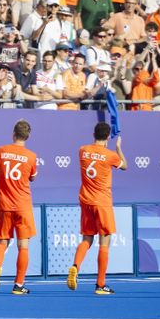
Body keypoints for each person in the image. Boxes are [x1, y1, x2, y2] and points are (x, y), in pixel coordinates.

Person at [67, 121, 125, 295]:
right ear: (108, 136)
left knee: (86, 239)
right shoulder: (110, 155)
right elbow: (125, 165)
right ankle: (100, 284)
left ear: (94, 134)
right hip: (102, 202)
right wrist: (119, 148)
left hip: (86, 200)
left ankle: (75, 266)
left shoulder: (82, 150)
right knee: (104, 243)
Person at [0, 120, 37, 296]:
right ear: (28, 136)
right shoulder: (31, 156)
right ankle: (18, 285)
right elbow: (32, 178)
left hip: (4, 204)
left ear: (13, 133)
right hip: (23, 205)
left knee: (2, 242)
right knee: (23, 246)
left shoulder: (1, 151)